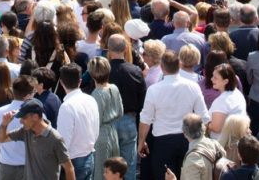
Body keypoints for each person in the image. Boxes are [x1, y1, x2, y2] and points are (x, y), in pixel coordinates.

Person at [138, 50, 209, 180]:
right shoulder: (193, 86)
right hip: (187, 140)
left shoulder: (154, 90)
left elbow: (145, 119)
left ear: (162, 67)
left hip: (163, 142)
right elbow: (204, 117)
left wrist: (141, 142)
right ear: (179, 65)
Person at [0, 98, 75, 180]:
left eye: (24, 118)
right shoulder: (26, 131)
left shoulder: (55, 139)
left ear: (35, 117)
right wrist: (4, 124)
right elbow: (1, 139)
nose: (20, 121)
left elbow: (69, 168)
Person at [89, 56, 124, 180]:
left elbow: (95, 122)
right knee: (114, 171)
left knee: (101, 173)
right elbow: (120, 112)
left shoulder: (96, 94)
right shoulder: (114, 88)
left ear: (92, 75)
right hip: (113, 132)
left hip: (101, 135)